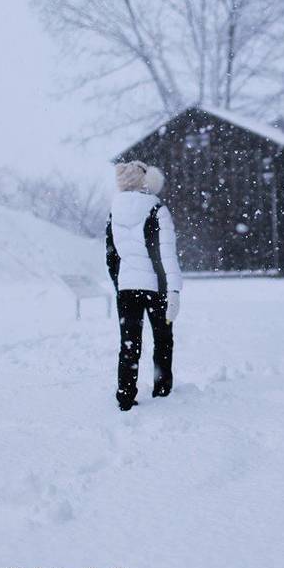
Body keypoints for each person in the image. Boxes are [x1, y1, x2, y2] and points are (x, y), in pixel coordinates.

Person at [105, 160, 182, 411]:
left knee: (129, 342)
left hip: (127, 288)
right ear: (148, 181)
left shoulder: (114, 211)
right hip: (156, 287)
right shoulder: (157, 209)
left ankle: (125, 395)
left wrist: (120, 283)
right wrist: (173, 290)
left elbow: (111, 255)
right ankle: (162, 388)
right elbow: (167, 255)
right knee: (163, 338)